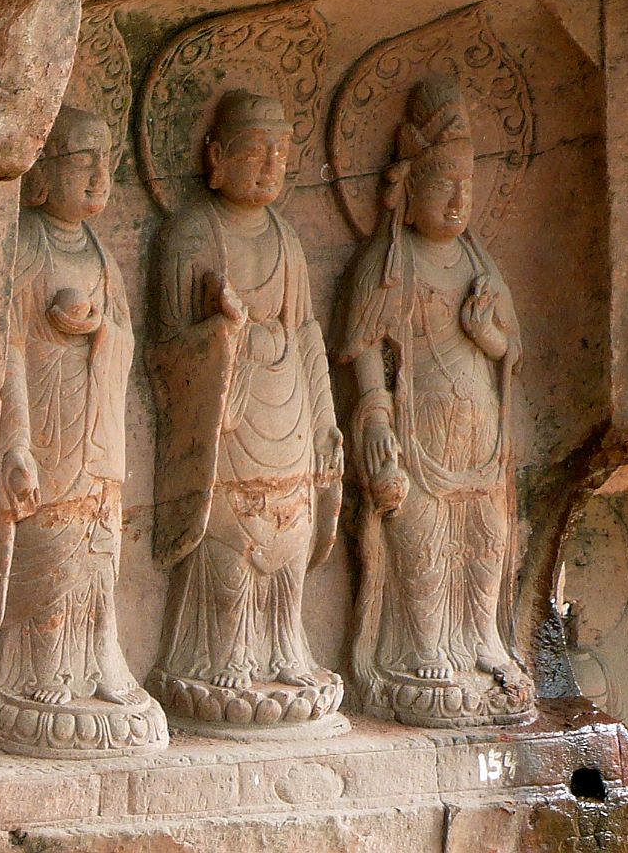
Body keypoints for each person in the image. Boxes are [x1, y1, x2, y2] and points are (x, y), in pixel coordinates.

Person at [340, 76, 533, 726]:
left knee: (485, 539)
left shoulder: (481, 266)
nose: (457, 200)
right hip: (419, 423)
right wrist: (375, 416)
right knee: (421, 540)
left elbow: (512, 350)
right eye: (443, 184)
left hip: (481, 427)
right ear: (409, 188)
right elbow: (364, 346)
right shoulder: (389, 262)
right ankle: (422, 648)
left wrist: (490, 338)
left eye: (467, 186)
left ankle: (483, 641)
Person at [149, 92, 343, 727]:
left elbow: (307, 332)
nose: (268, 166)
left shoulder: (287, 240)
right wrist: (224, 330)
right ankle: (217, 655)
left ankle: (285, 649)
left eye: (280, 154)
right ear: (215, 157)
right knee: (231, 533)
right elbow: (166, 350)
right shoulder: (190, 235)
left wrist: (325, 422)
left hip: (288, 405)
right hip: (227, 410)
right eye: (254, 152)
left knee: (290, 528)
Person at [0, 107, 165, 757]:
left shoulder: (101, 255)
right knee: (49, 547)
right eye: (81, 160)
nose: (98, 175)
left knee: (97, 551)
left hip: (95, 428)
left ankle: (98, 667)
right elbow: (3, 346)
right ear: (41, 171)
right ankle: (29, 675)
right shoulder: (25, 243)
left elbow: (126, 340)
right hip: (46, 426)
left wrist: (98, 332)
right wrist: (15, 443)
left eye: (106, 160)